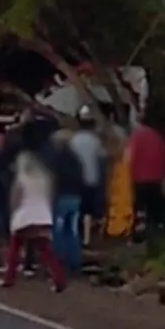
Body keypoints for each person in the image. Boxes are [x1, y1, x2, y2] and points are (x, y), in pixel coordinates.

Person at [1, 125, 67, 292]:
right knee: (45, 250)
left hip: (24, 214)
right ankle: (58, 278)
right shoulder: (45, 178)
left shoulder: (22, 178)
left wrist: (12, 212)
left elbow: (15, 197)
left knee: (15, 247)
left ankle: (9, 277)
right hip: (42, 213)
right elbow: (51, 194)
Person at [70, 106, 107, 248]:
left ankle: (75, 237)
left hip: (78, 179)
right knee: (89, 212)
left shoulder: (74, 140)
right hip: (93, 179)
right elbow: (102, 157)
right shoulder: (95, 141)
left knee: (79, 210)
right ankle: (86, 238)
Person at [127, 107, 165, 234]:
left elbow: (129, 157)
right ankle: (156, 232)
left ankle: (140, 233)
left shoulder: (137, 136)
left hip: (140, 178)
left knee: (140, 208)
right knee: (155, 208)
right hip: (156, 178)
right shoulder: (158, 137)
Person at [50, 128, 85, 272]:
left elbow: (54, 179)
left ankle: (59, 260)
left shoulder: (57, 159)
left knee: (58, 231)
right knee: (73, 230)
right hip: (75, 197)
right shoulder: (76, 159)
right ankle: (75, 261)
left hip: (62, 197)